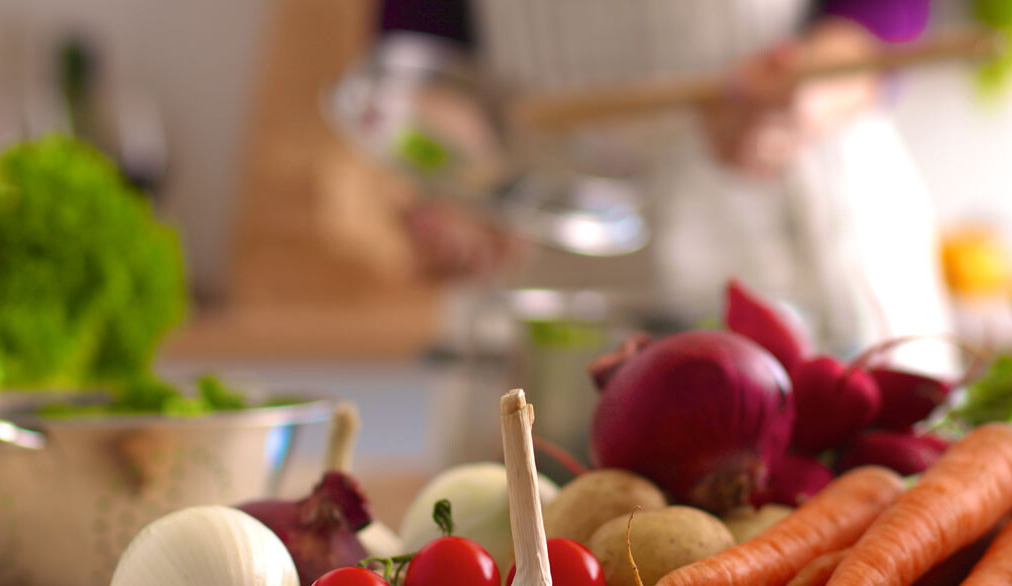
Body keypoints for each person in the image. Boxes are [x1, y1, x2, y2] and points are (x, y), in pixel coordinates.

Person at [378, 0, 959, 378]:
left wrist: (806, 92)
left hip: (794, 234)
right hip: (549, 255)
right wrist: (459, 178)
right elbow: (420, 46)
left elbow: (883, 15)